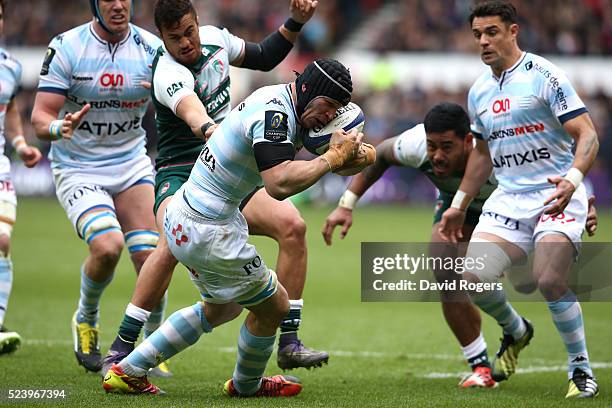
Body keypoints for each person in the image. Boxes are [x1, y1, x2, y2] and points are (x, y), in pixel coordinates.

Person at [102, 58, 367, 396]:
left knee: (221, 307)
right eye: (329, 106)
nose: (329, 117)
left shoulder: (283, 102)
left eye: (336, 111)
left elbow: (333, 158)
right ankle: (246, 385)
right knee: (275, 305)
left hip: (194, 217)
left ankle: (128, 370)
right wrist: (332, 158)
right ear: (308, 91)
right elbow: (278, 184)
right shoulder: (275, 115)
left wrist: (352, 154)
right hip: (209, 228)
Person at [323, 102, 600, 389]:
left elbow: (552, 172)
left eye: (447, 147)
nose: (437, 156)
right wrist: (346, 204)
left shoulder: (499, 152)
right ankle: (489, 359)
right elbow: (379, 155)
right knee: (445, 269)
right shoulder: (416, 144)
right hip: (458, 209)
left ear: (469, 141)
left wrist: (581, 202)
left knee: (536, 277)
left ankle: (560, 356)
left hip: (509, 209)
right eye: (432, 147)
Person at [439, 1, 600, 398]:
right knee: (472, 279)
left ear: (513, 31)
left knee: (548, 279)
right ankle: (516, 329)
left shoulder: (545, 75)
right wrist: (459, 203)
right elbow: (481, 153)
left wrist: (575, 180)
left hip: (554, 195)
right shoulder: (478, 91)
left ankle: (580, 369)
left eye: (492, 32)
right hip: (509, 198)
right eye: (477, 34)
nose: (483, 41)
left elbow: (588, 134)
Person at [31, 0, 162, 372]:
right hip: (79, 167)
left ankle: (151, 347)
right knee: (107, 247)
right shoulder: (67, 47)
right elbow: (40, 116)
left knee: (150, 258)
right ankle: (86, 318)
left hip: (131, 163)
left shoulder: (151, 49)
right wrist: (59, 127)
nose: (119, 5)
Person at [0, 0, 43, 354]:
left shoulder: (10, 66)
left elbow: (10, 108)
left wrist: (19, 142)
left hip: (0, 163)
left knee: (2, 239)